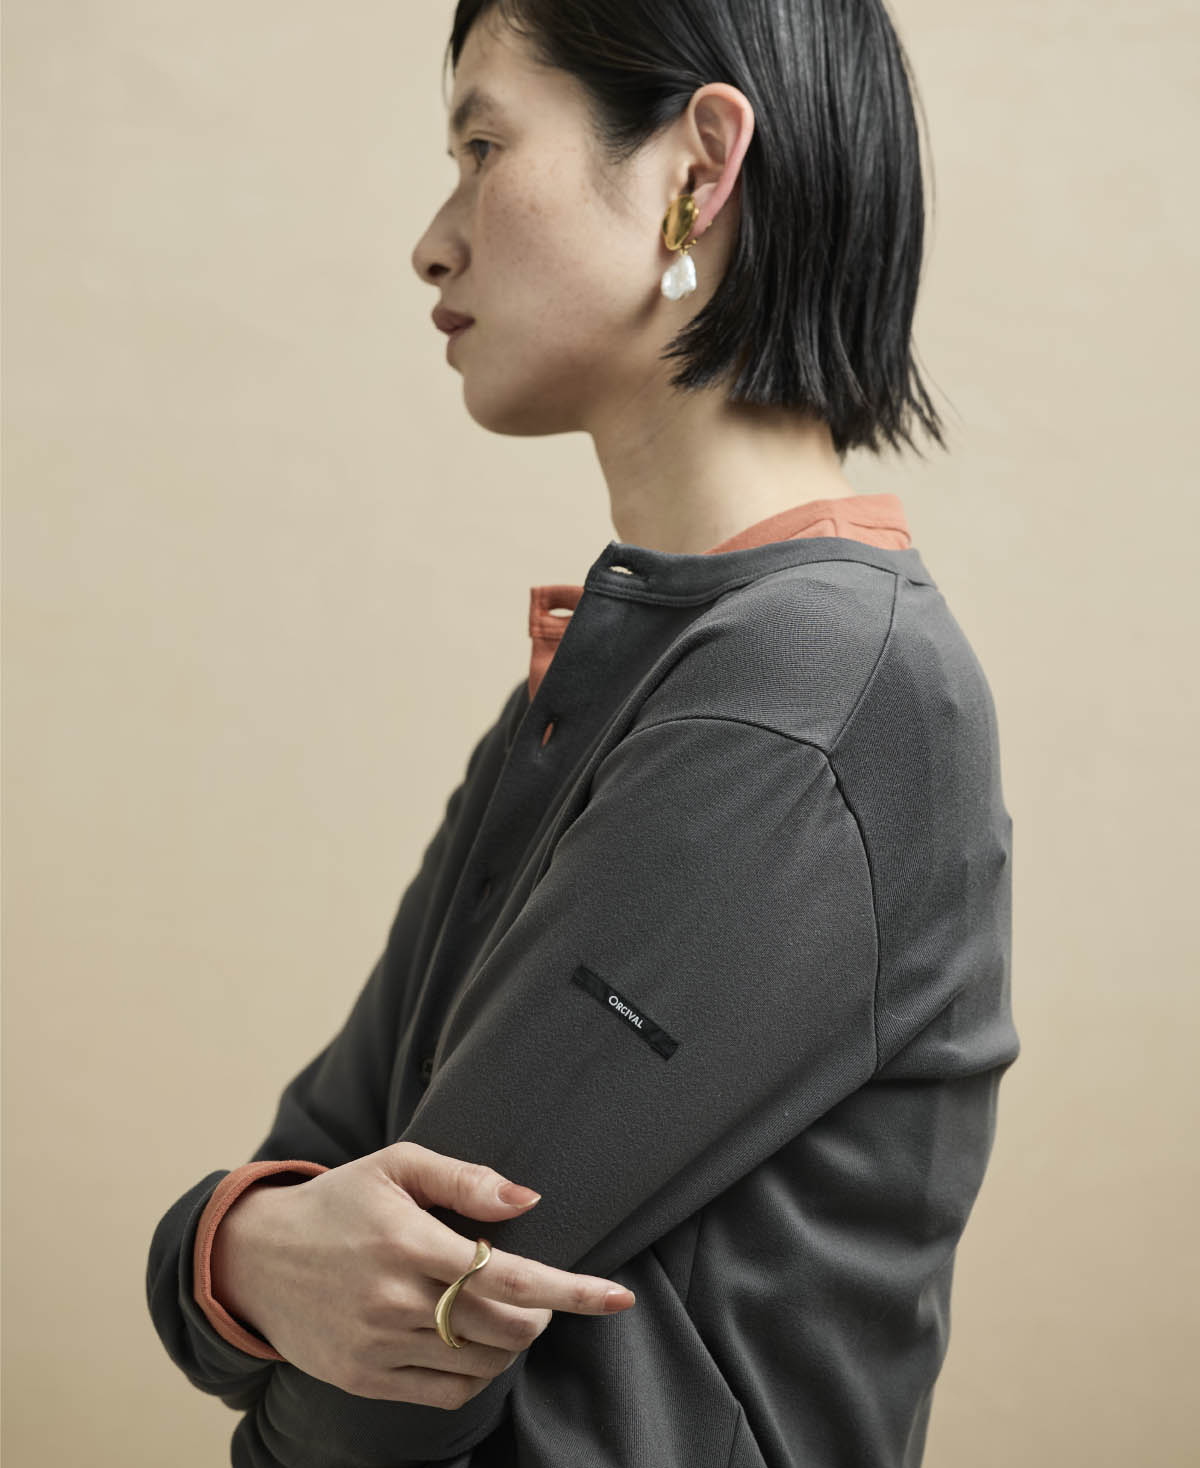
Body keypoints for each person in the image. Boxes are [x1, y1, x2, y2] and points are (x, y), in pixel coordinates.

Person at [146, 2, 1020, 1465]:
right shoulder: (609, 672)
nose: (433, 243)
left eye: (485, 147)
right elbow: (316, 1171)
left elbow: (397, 1349)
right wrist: (235, 1249)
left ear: (700, 165)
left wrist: (218, 1263)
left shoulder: (811, 691)